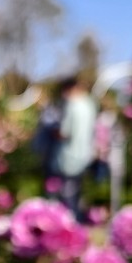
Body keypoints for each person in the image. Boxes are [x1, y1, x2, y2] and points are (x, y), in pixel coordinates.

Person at [54, 75, 98, 221]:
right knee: (78, 191)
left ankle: (71, 222)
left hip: (70, 156)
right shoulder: (89, 104)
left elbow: (65, 132)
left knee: (68, 193)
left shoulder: (72, 105)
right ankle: (79, 217)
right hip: (86, 153)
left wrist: (54, 132)